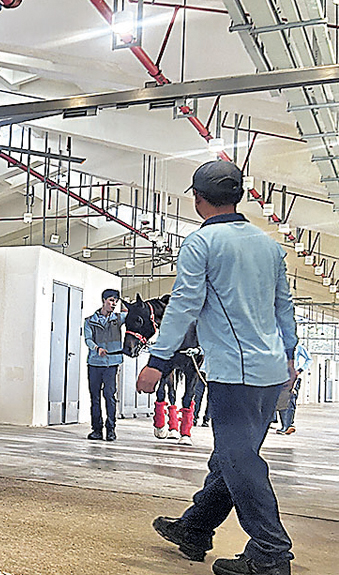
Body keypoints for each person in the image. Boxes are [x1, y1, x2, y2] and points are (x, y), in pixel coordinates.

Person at [135, 160, 297, 575]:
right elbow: (284, 308)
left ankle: (271, 553)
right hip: (271, 371)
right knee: (230, 457)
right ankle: (195, 528)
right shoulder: (269, 245)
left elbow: (183, 306)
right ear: (239, 195)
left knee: (240, 461)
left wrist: (158, 361)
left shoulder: (201, 243)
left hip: (233, 373)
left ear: (197, 198)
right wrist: (291, 357)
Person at [84, 289, 127, 441]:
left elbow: (134, 315)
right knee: (95, 398)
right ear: (103, 300)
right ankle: (96, 430)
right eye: (111, 300)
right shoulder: (90, 321)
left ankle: (111, 429)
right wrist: (97, 349)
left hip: (111, 364)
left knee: (110, 396)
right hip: (95, 363)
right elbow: (88, 339)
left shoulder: (118, 318)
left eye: (116, 301)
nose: (114, 303)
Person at [276, 368, 302, 435]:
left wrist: (300, 370)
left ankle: (287, 425)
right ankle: (287, 425)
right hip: (285, 376)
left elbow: (309, 360)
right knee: (282, 401)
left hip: (294, 378)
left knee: (290, 400)